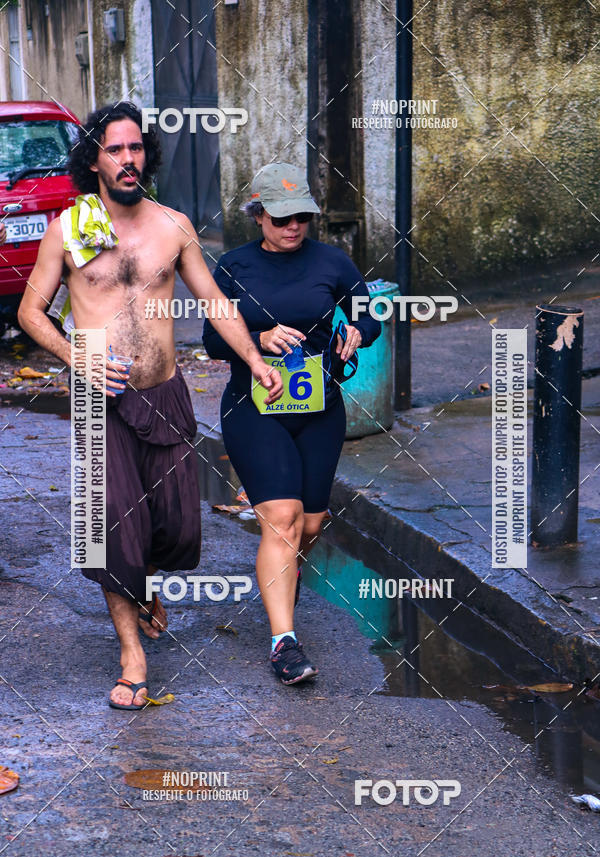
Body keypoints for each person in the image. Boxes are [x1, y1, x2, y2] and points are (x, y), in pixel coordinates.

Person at [18, 102, 282, 710]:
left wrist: (255, 360)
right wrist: (75, 357)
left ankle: (142, 585)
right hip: (98, 400)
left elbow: (214, 302)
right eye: (114, 149)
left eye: (135, 147)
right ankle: (131, 655)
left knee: (175, 529)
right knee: (110, 532)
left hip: (164, 393)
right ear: (93, 160)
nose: (127, 158)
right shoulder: (68, 229)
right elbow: (31, 312)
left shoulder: (173, 225)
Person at [203, 162, 381, 685]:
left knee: (310, 524)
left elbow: (368, 315)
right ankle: (284, 642)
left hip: (320, 409)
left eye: (301, 216)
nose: (293, 227)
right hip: (254, 408)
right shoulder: (234, 266)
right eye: (281, 218)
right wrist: (257, 339)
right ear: (258, 215)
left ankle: (283, 574)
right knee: (282, 516)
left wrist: (357, 333)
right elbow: (211, 340)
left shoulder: (332, 262)